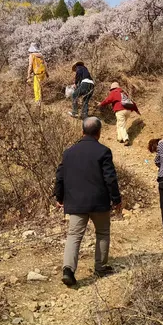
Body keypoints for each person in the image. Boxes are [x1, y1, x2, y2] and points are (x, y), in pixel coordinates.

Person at [55, 117, 122, 286]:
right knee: (102, 233)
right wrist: (116, 199)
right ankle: (100, 267)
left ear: (82, 131)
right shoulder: (103, 151)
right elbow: (110, 178)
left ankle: (68, 270)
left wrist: (59, 197)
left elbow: (60, 176)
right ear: (99, 133)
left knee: (74, 236)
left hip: (76, 202)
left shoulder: (68, 153)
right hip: (99, 202)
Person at [98, 82, 140, 146]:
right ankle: (120, 138)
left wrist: (101, 104)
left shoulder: (114, 92)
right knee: (119, 124)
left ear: (113, 88)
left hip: (120, 110)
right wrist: (136, 110)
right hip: (128, 111)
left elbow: (108, 100)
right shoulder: (123, 93)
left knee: (121, 125)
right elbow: (131, 102)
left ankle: (126, 139)